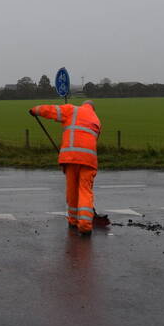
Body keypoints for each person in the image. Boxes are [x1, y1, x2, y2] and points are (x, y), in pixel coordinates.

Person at [29, 100, 102, 235]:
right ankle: (85, 226)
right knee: (85, 191)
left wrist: (35, 110)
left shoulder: (73, 110)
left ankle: (73, 221)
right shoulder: (96, 120)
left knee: (72, 190)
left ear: (83, 105)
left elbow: (51, 110)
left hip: (70, 158)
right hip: (88, 160)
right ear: (93, 109)